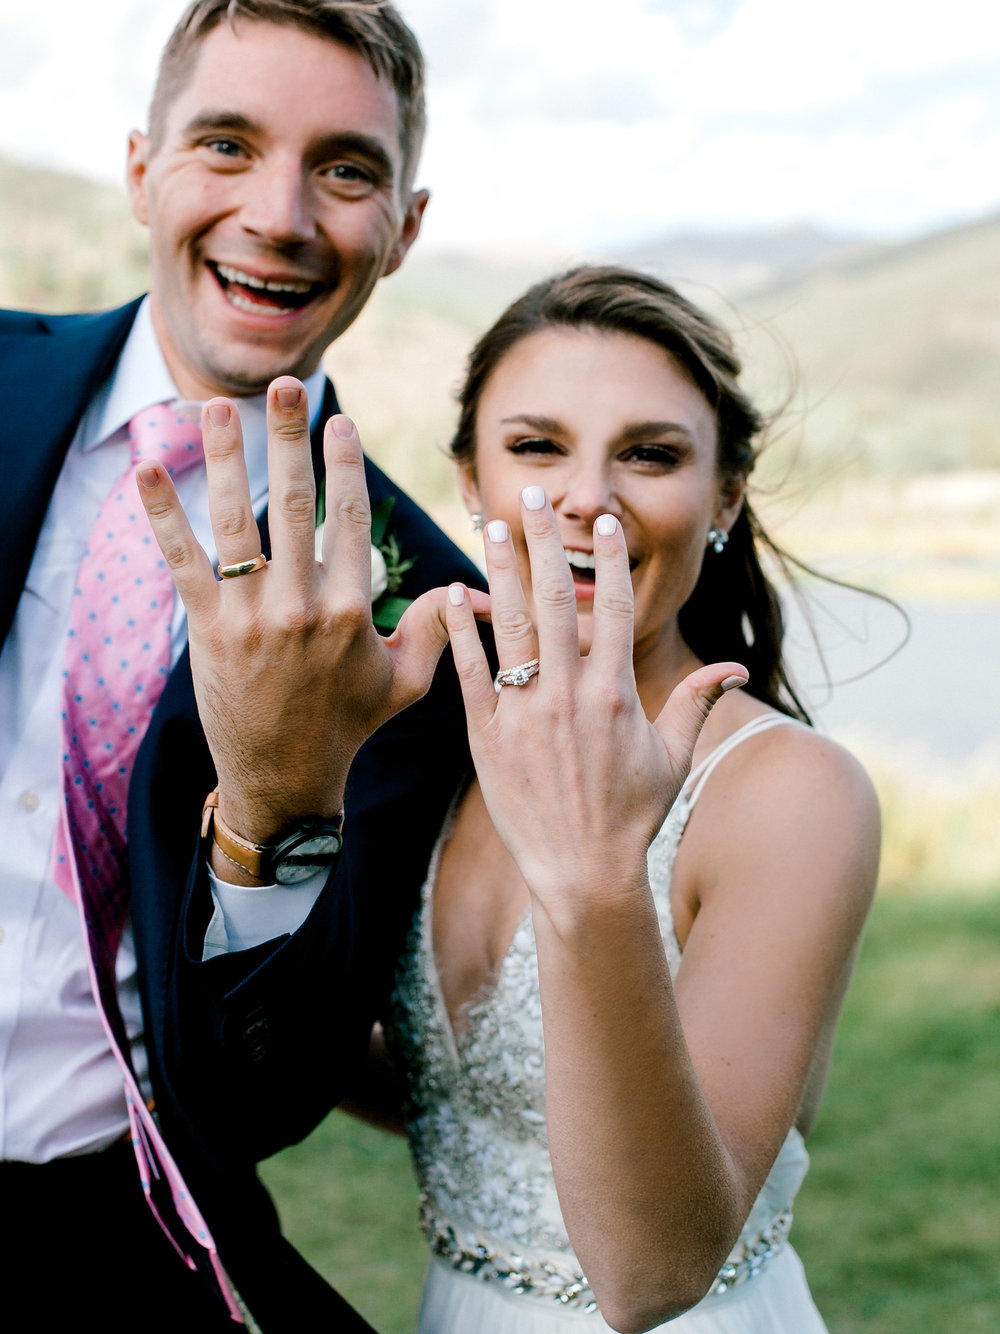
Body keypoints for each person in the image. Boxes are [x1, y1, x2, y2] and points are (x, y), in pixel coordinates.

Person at [0, 2, 485, 1329]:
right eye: (226, 145)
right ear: (143, 168)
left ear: (406, 225)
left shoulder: (433, 618)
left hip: (108, 1241)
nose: (281, 215)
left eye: (345, 168)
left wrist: (273, 806)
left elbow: (272, 1094)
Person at [377, 266, 881, 1332]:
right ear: (468, 477)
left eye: (648, 454)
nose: (586, 497)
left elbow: (655, 1270)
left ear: (725, 496)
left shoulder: (788, 793)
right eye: (535, 446)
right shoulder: (435, 747)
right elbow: (455, 1101)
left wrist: (593, 872)